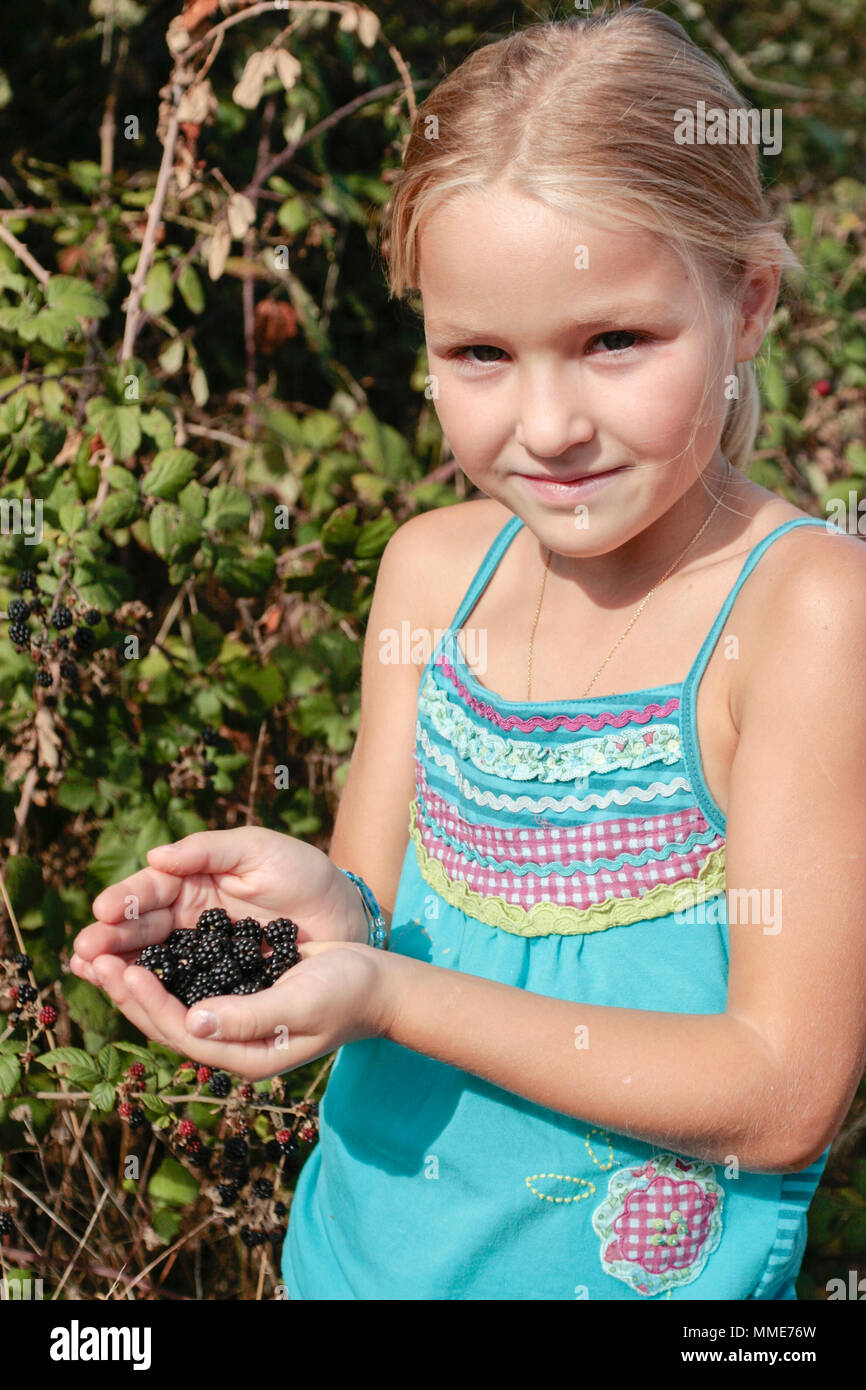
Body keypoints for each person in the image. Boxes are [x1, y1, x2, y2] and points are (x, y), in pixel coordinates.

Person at [72, 7, 866, 1300]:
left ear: (750, 303)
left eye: (614, 341)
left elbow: (778, 1094)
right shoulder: (434, 572)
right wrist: (286, 931)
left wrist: (383, 993)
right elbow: (373, 920)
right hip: (346, 1267)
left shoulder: (804, 613)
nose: (547, 425)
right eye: (479, 355)